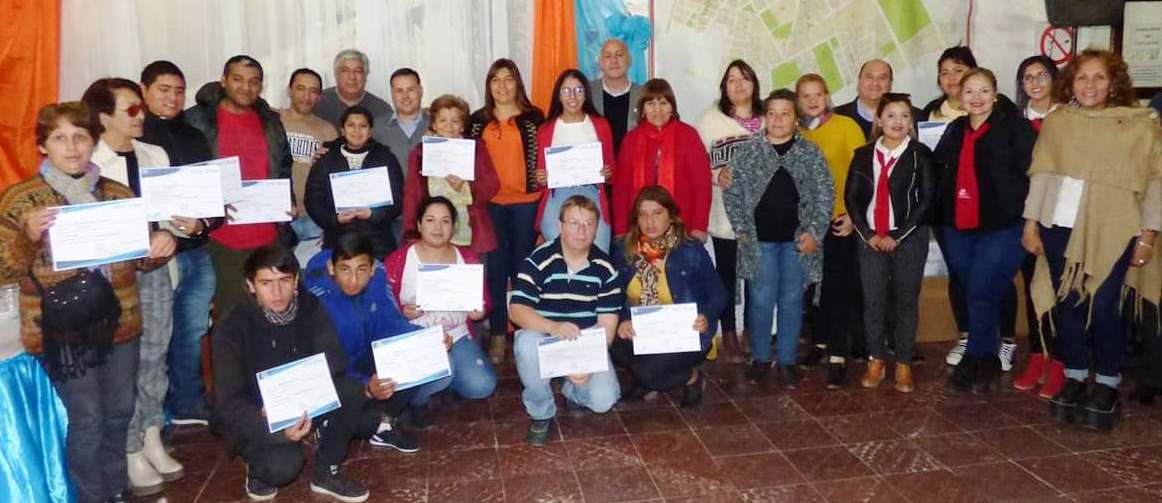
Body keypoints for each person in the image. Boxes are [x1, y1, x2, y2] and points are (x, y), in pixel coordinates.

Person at [0, 102, 175, 503]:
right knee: (87, 420)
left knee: (118, 412)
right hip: (62, 331)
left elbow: (140, 259)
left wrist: (160, 245)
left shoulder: (116, 194)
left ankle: (114, 489)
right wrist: (26, 235)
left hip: (122, 322)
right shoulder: (20, 199)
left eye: (80, 137)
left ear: (92, 142)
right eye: (59, 138)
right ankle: (91, 496)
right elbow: (4, 271)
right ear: (43, 145)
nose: (72, 147)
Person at [1024, 49, 1162, 431]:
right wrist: (1031, 223)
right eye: (1082, 77)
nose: (1090, 85)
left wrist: (1148, 234)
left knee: (1103, 306)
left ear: (1114, 83)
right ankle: (1074, 374)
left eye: (1099, 78)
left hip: (1114, 229)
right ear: (1071, 82)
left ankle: (1106, 383)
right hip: (1059, 227)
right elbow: (1042, 173)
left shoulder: (1140, 123)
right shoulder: (1059, 122)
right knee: (1067, 304)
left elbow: (1155, 182)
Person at [81, 77, 187, 496]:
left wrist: (177, 230)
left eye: (140, 107)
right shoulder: (89, 164)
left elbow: (170, 213)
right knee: (122, 365)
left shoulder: (154, 153)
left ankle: (151, 435)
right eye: (131, 109)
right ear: (104, 116)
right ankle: (127, 449)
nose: (141, 115)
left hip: (158, 270)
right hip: (112, 282)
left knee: (155, 358)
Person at [212, 245, 382, 502]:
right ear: (250, 286)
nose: (277, 292)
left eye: (284, 281)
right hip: (259, 411)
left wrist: (309, 396)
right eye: (266, 283)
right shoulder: (232, 328)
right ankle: (257, 470)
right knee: (283, 467)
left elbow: (334, 361)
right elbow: (228, 401)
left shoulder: (310, 306)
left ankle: (327, 471)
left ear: (295, 282)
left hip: (304, 394)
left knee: (359, 403)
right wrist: (270, 422)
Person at [934, 68, 1036, 394]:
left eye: (983, 91)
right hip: (958, 226)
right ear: (960, 97)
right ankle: (986, 356)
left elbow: (1035, 174)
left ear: (995, 94)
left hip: (1004, 224)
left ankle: (978, 356)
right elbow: (936, 172)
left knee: (980, 286)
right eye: (969, 92)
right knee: (974, 288)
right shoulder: (954, 130)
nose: (976, 98)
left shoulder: (1015, 128)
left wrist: (1033, 221)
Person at [724, 89, 834, 387]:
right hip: (759, 242)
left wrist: (815, 233)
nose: (778, 119)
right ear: (764, 118)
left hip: (797, 243)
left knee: (790, 300)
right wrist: (742, 231)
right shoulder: (749, 152)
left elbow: (825, 195)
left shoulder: (809, 154)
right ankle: (760, 358)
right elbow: (732, 193)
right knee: (760, 300)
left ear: (796, 118)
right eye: (772, 113)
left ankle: (786, 361)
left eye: (785, 113)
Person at [304, 232, 455, 438]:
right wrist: (365, 385)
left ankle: (387, 419)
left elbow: (392, 323)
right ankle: (336, 421)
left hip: (369, 360)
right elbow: (324, 364)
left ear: (373, 269)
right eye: (345, 270)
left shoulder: (378, 278)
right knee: (357, 423)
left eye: (362, 270)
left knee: (430, 357)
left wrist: (427, 338)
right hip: (339, 377)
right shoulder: (317, 299)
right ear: (332, 268)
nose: (354, 280)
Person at [139, 60, 221, 427]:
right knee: (155, 334)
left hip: (197, 250)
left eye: (178, 91)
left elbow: (213, 197)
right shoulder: (137, 140)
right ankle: (155, 411)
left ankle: (188, 401)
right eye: (163, 90)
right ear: (144, 90)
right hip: (155, 256)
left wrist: (203, 221)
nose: (173, 98)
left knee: (192, 329)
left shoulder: (194, 137)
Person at [186, 54, 293, 319]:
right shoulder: (196, 120)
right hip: (221, 239)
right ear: (223, 81)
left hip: (268, 237)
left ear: (261, 86)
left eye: (254, 81)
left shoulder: (270, 122)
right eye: (237, 79)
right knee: (230, 320)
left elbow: (282, 168)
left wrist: (287, 201)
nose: (246, 87)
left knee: (274, 317)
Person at [510, 195, 623, 446]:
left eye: (589, 223)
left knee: (603, 401)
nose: (581, 230)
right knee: (526, 343)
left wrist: (585, 363)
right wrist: (553, 327)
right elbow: (516, 310)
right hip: (546, 337)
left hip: (583, 343)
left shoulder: (607, 269)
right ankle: (541, 412)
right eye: (573, 222)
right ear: (560, 225)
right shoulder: (539, 259)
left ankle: (571, 389)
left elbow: (607, 327)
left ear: (597, 229)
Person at [846, 93, 937, 393]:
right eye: (891, 115)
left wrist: (897, 236)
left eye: (904, 116)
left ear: (911, 121)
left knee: (905, 300)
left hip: (908, 238)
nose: (898, 122)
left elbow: (926, 201)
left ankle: (904, 363)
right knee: (873, 301)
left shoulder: (920, 154)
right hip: (870, 238)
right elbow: (852, 198)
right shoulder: (863, 154)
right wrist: (868, 234)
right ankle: (876, 359)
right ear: (879, 120)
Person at [610, 187, 726, 407]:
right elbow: (613, 294)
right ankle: (649, 375)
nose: (649, 221)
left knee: (650, 373)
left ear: (671, 217)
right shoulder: (623, 250)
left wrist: (706, 316)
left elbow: (718, 293)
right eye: (643, 214)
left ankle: (691, 377)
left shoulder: (690, 249)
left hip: (685, 334)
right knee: (606, 339)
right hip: (642, 330)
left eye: (657, 213)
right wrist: (622, 318)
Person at [385, 197, 499, 407]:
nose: (438, 227)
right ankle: (415, 402)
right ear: (419, 225)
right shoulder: (398, 260)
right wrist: (404, 311)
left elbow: (484, 301)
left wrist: (479, 311)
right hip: (417, 337)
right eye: (430, 220)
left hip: (458, 335)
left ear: (453, 227)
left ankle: (444, 382)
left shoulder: (467, 257)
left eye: (445, 221)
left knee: (482, 385)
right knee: (443, 371)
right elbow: (384, 309)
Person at [468, 59, 545, 365]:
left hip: (527, 202)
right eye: (495, 80)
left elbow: (547, 155)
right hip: (491, 205)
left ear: (518, 83)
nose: (502, 86)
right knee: (496, 269)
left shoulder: (534, 118)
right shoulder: (476, 121)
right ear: (488, 85)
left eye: (508, 79)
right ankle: (499, 331)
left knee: (523, 269)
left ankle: (527, 329)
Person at [795, 73, 868, 386]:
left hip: (840, 220)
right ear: (797, 101)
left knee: (837, 288)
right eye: (806, 96)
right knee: (811, 289)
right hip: (807, 225)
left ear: (827, 96)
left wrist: (854, 215)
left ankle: (838, 353)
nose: (813, 101)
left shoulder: (846, 126)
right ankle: (820, 342)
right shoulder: (795, 132)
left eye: (818, 94)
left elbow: (864, 174)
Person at [696, 60, 763, 364]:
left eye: (744, 79)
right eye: (732, 80)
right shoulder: (710, 120)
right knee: (726, 276)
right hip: (725, 215)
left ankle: (751, 330)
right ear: (724, 86)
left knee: (754, 276)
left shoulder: (767, 119)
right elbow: (698, 164)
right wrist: (716, 174)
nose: (738, 85)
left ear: (754, 84)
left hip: (762, 215)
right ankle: (730, 333)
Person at [1011, 55, 1064, 398]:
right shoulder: (1015, 123)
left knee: (1061, 293)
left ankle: (1060, 361)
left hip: (1061, 218)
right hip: (1026, 219)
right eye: (1027, 78)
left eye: (1041, 75)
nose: (1034, 83)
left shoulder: (1069, 121)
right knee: (1032, 290)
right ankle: (1037, 356)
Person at [612, 79, 712, 242]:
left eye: (663, 103)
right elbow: (621, 190)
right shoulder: (631, 140)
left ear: (672, 107)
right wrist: (621, 230)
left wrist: (699, 227)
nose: (657, 110)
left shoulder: (688, 135)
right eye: (651, 103)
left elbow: (702, 185)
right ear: (642, 109)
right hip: (639, 229)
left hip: (682, 228)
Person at [402, 94, 500, 255]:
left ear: (462, 126)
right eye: (442, 120)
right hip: (432, 233)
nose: (449, 126)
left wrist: (466, 186)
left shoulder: (476, 149)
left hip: (469, 232)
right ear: (434, 123)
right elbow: (412, 196)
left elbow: (492, 185)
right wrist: (411, 232)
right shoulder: (420, 153)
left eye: (455, 121)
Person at [305, 105, 405, 260]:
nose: (357, 131)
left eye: (363, 126)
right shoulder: (325, 159)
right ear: (343, 130)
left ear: (371, 131)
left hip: (378, 240)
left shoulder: (386, 158)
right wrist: (334, 218)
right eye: (351, 125)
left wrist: (373, 214)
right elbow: (313, 200)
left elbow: (398, 198)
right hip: (338, 238)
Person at [534, 69, 615, 252]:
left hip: (592, 195)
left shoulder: (601, 125)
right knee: (559, 260)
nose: (573, 96)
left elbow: (612, 171)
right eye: (566, 90)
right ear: (558, 96)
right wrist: (542, 178)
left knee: (598, 256)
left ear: (586, 94)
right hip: (557, 198)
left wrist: (607, 173)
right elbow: (540, 176)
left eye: (579, 90)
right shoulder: (546, 129)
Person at [280, 68, 340, 265]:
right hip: (277, 215)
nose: (306, 96)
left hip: (313, 219)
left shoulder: (328, 130)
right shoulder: (272, 120)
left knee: (310, 276)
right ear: (289, 90)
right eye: (300, 88)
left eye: (313, 91)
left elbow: (336, 180)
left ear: (319, 96)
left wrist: (330, 224)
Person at [589, 38, 642, 153]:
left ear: (629, 60)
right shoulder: (587, 93)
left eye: (619, 55)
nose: (614, 60)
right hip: (597, 167)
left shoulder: (643, 95)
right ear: (600, 62)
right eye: (608, 56)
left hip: (632, 165)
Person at [315, 49, 392, 127]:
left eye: (358, 71)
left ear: (366, 75)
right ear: (336, 74)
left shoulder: (381, 110)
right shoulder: (317, 102)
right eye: (345, 71)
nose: (352, 77)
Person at [921, 47, 977, 122]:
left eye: (958, 70)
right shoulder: (930, 110)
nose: (951, 77)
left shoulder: (990, 108)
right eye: (945, 73)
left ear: (974, 73)